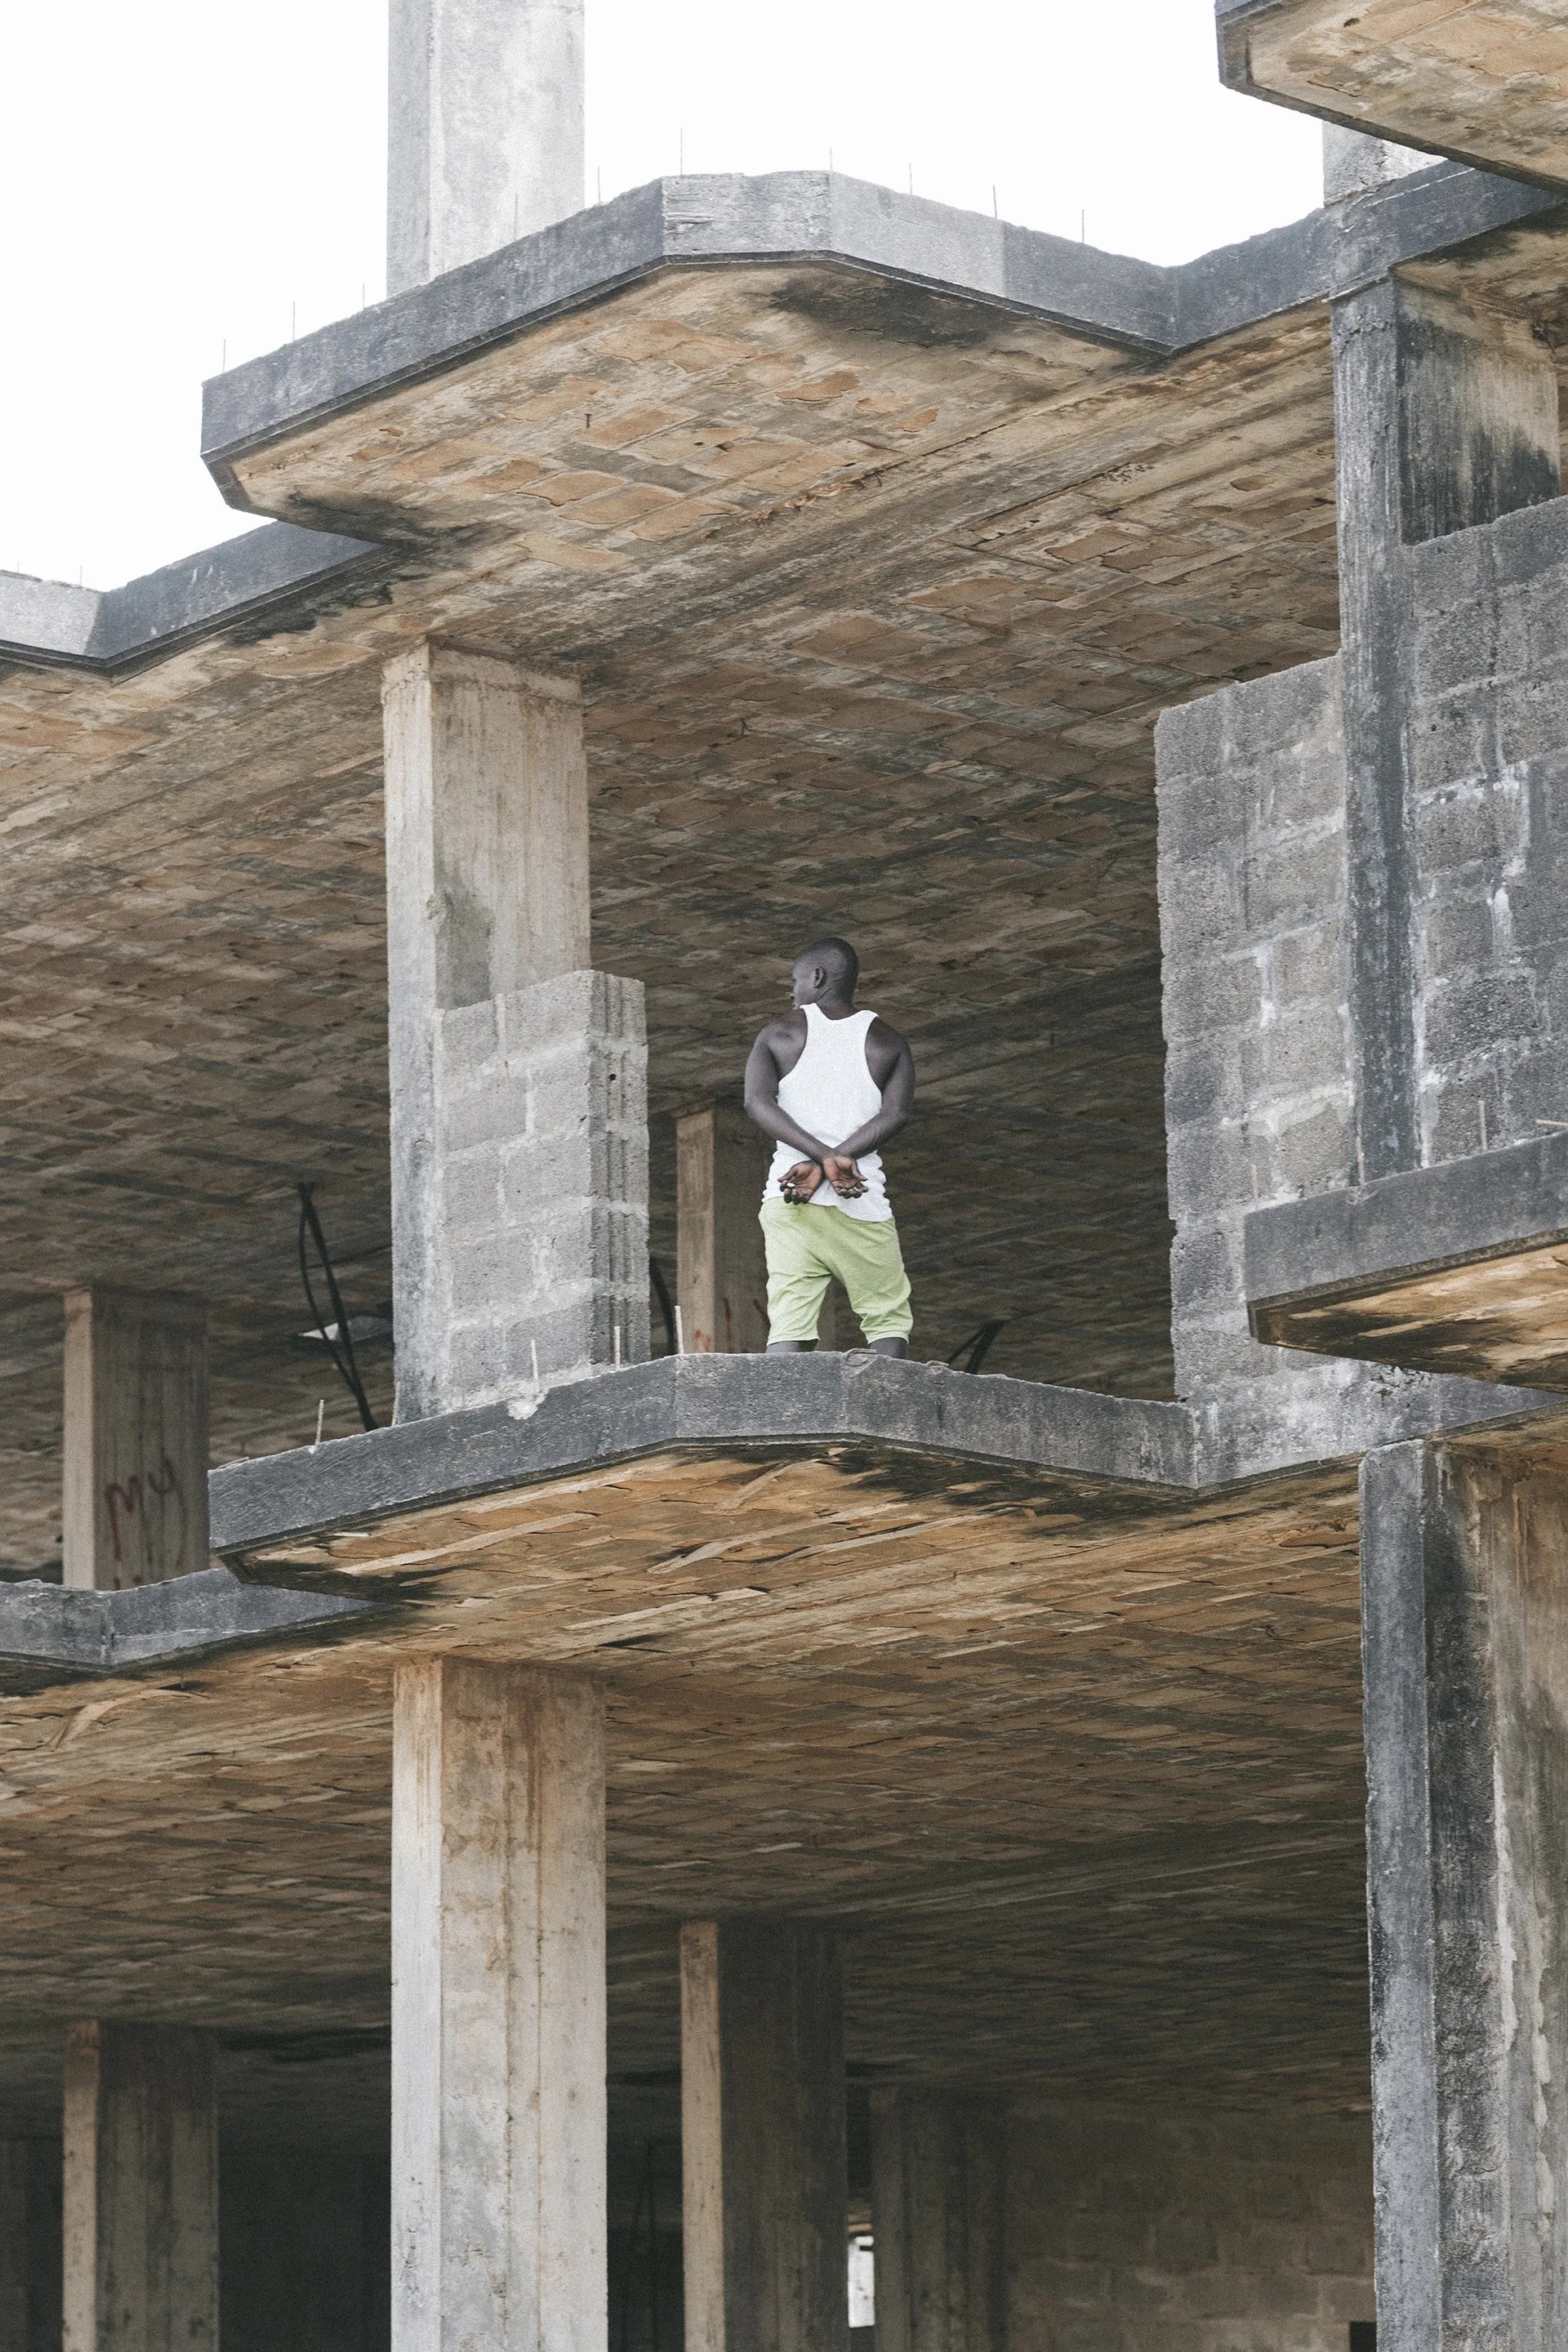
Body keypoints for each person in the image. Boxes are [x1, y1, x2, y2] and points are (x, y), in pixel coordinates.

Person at [743, 938, 915, 1357]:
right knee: (887, 1318)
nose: (793, 991)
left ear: (816, 977)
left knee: (789, 1325)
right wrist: (835, 1160)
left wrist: (817, 1160)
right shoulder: (888, 1042)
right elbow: (895, 1115)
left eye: (795, 980)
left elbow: (756, 1103)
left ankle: (779, 1414)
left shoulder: (779, 1034)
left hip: (790, 1198)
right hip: (859, 1199)